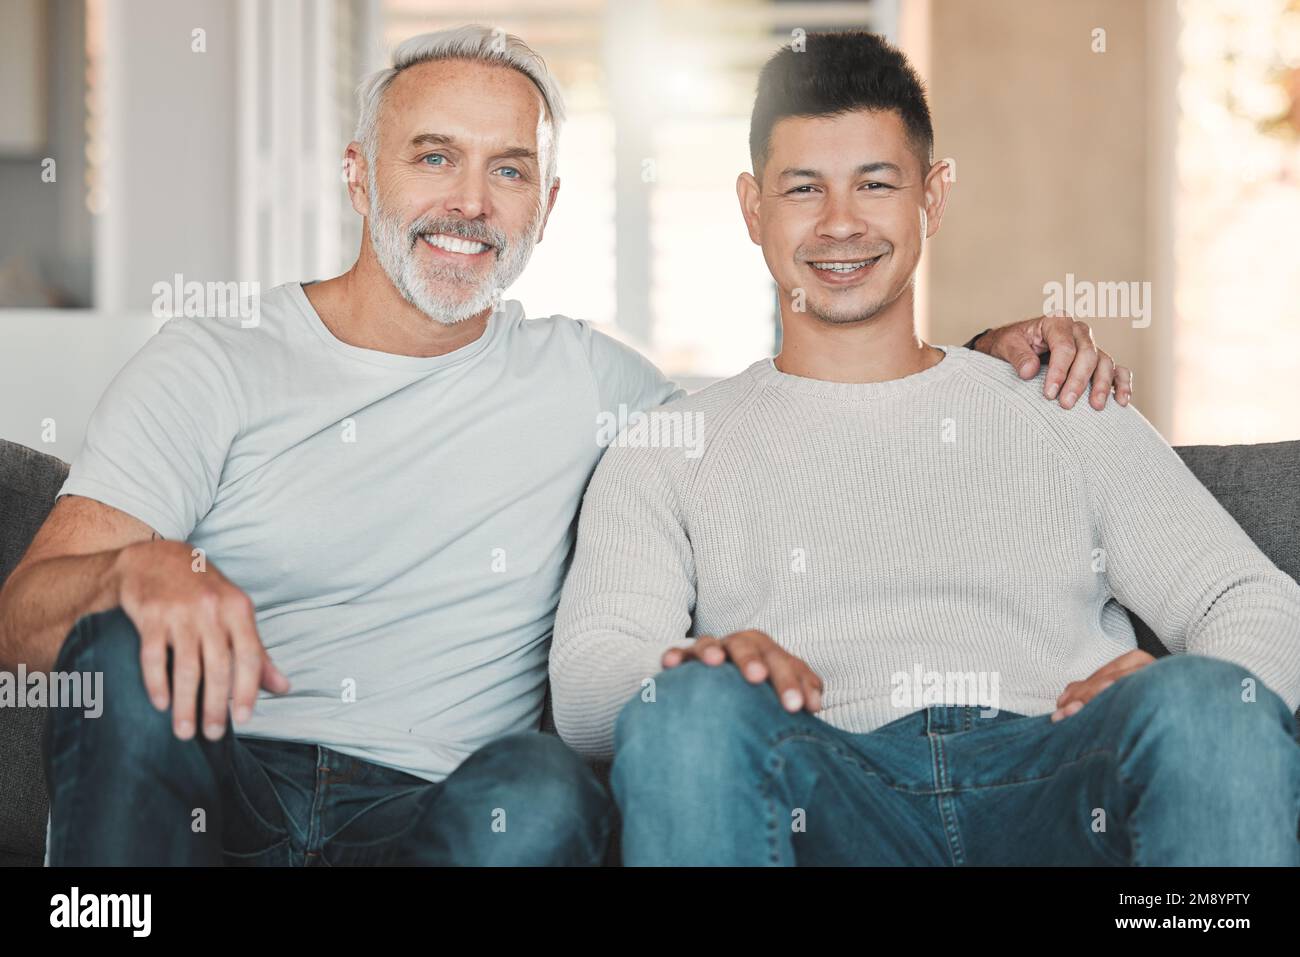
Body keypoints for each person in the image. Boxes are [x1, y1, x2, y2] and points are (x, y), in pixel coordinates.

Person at [0, 25, 1127, 866]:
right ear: (358, 174)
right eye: (433, 157)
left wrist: (986, 364)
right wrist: (134, 569)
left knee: (543, 787)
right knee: (115, 651)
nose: (470, 203)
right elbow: (21, 626)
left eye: (508, 170)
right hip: (218, 781)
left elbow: (801, 417)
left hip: (443, 812)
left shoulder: (598, 385)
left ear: (545, 205)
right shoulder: (213, 360)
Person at [549, 30, 1300, 866]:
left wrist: (1179, 684)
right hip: (826, 795)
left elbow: (1255, 601)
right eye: (804, 188)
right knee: (687, 709)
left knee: (1209, 702)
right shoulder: (668, 449)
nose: (840, 223)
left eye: (876, 183)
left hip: (1059, 779)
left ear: (932, 199)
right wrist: (698, 665)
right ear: (753, 207)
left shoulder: (1061, 400)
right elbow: (587, 689)